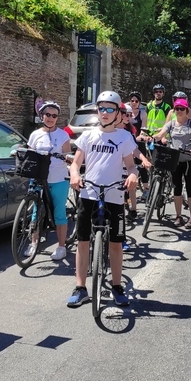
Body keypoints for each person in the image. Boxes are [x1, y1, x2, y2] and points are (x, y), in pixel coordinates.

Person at [67, 90, 139, 308]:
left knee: (116, 244)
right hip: (88, 192)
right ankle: (80, 288)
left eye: (110, 109)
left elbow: (131, 165)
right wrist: (75, 174)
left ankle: (117, 286)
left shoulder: (124, 137)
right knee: (82, 241)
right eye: (101, 108)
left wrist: (134, 174)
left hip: (114, 194)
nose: (105, 113)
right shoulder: (88, 135)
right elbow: (75, 163)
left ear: (118, 112)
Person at [27, 100, 72, 260]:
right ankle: (33, 244)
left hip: (58, 178)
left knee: (59, 213)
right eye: (48, 115)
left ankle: (61, 247)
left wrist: (68, 158)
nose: (51, 118)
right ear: (42, 116)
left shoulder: (63, 135)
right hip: (39, 178)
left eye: (54, 116)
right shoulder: (35, 135)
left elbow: (68, 155)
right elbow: (29, 155)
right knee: (35, 212)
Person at [155, 98, 191, 229]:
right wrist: (153, 138)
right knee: (177, 188)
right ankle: (178, 216)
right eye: (177, 109)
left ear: (186, 110)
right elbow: (161, 134)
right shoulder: (171, 124)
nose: (179, 111)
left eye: (182, 109)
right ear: (174, 111)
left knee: (190, 188)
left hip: (188, 160)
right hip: (175, 161)